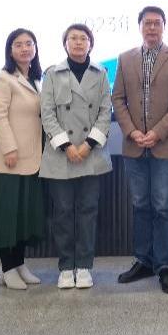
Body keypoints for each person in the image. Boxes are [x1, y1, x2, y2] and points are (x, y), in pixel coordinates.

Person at [112, 6, 168, 294]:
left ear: (164, 26)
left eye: (157, 23)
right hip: (134, 145)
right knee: (140, 205)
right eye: (147, 23)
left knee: (163, 207)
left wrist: (157, 132)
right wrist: (132, 131)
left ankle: (165, 265)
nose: (152, 28)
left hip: (164, 144)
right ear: (140, 26)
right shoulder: (125, 58)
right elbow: (117, 98)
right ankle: (143, 260)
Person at [39, 23, 113, 290]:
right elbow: (47, 113)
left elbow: (105, 111)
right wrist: (66, 146)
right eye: (73, 38)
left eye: (83, 38)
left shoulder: (101, 73)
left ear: (90, 44)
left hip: (91, 154)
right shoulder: (52, 74)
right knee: (62, 213)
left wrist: (88, 145)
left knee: (87, 212)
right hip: (61, 155)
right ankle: (65, 267)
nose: (79, 42)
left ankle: (84, 266)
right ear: (65, 44)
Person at [0, 28, 45, 291]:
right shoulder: (3, 79)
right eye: (18, 44)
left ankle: (19, 263)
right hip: (10, 159)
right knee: (7, 216)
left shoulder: (37, 79)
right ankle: (7, 268)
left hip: (33, 158)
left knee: (23, 216)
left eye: (29, 43)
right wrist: (9, 149)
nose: (24, 48)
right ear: (10, 50)